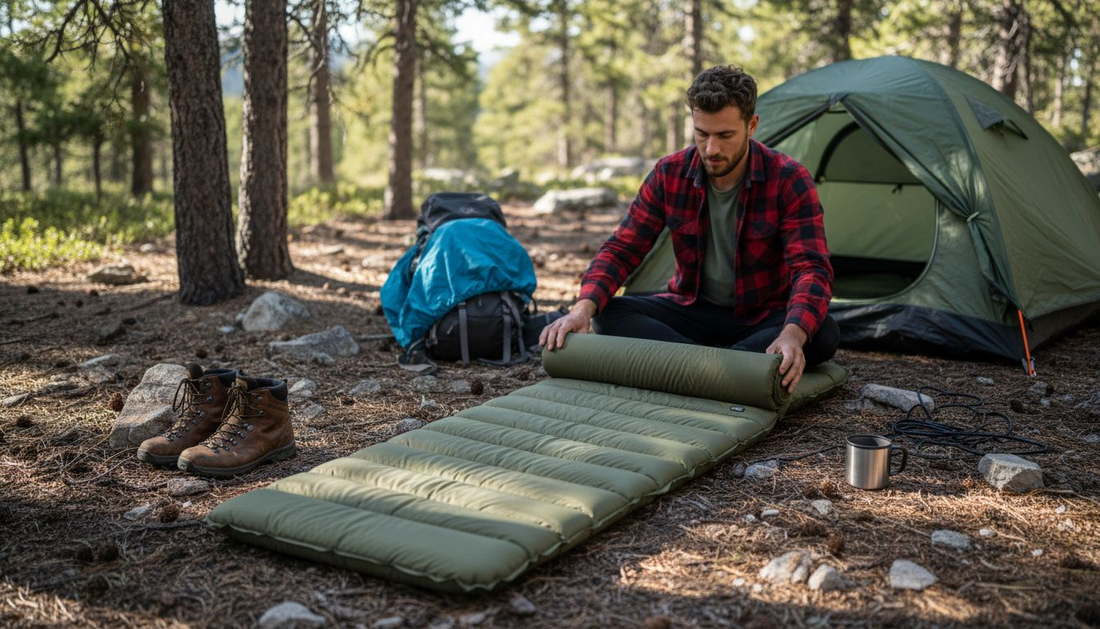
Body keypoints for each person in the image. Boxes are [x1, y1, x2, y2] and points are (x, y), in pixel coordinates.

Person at [539, 64, 839, 394]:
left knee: (821, 331)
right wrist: (582, 310)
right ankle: (725, 368)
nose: (711, 149)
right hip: (691, 312)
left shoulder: (789, 179)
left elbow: (810, 268)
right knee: (607, 312)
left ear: (751, 125)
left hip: (762, 316)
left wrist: (792, 334)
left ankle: (691, 366)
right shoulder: (669, 173)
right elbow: (623, 247)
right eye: (702, 134)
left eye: (725, 136)